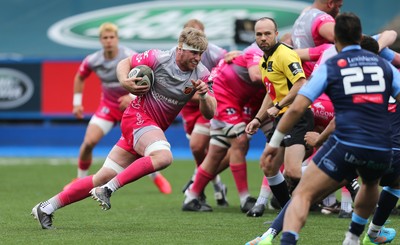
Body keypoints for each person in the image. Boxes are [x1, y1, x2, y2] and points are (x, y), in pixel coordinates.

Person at [31, 27, 216, 229]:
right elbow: (124, 63)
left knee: (100, 177)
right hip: (137, 117)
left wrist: (205, 96)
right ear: (180, 48)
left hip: (148, 127)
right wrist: (124, 82)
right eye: (194, 52)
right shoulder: (159, 57)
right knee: (164, 156)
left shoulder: (202, 74)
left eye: (201, 54)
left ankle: (46, 207)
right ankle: (108, 190)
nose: (198, 58)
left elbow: (210, 113)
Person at [244, 33, 398, 245]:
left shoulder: (341, 66)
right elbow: (391, 35)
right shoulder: (390, 72)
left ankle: (269, 236)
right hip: (387, 153)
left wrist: (318, 139)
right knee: (386, 184)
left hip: (347, 145)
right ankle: (366, 235)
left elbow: (306, 108)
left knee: (304, 190)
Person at [64, 22, 171, 194]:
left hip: (132, 107)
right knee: (88, 143)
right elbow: (80, 76)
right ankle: (80, 178)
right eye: (105, 38)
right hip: (108, 106)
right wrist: (77, 103)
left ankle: (156, 177)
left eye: (111, 37)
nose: (108, 41)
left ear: (117, 39)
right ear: (100, 40)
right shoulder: (94, 60)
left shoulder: (128, 55)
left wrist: (131, 96)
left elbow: (148, 77)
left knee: (143, 146)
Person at [182, 40, 265, 212]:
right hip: (222, 96)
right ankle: (245, 199)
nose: (263, 38)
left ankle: (191, 196)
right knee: (239, 142)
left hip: (230, 97)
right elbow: (256, 76)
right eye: (260, 34)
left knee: (216, 151)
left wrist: (235, 52)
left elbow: (228, 57)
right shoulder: (257, 52)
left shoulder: (222, 51)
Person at [245, 17, 313, 211]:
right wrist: (259, 118)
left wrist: (279, 105)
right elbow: (271, 91)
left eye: (267, 33)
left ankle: (330, 171)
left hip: (296, 115)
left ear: (276, 34)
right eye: (259, 34)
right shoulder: (264, 60)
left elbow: (301, 84)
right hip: (281, 118)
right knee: (268, 165)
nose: (263, 38)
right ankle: (287, 211)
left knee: (292, 171)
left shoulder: (285, 54)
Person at [180, 19, 229, 206]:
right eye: (189, 33)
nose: (194, 38)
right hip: (186, 108)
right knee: (202, 152)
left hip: (206, 103)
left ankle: (195, 183)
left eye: (198, 33)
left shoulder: (214, 52)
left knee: (197, 146)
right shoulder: (177, 55)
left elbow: (227, 63)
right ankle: (215, 186)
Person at [291, 0, 343, 77]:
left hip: (302, 78)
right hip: (319, 80)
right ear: (331, 3)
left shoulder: (303, 15)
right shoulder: (324, 19)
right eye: (339, 6)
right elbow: (348, 39)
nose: (339, 11)